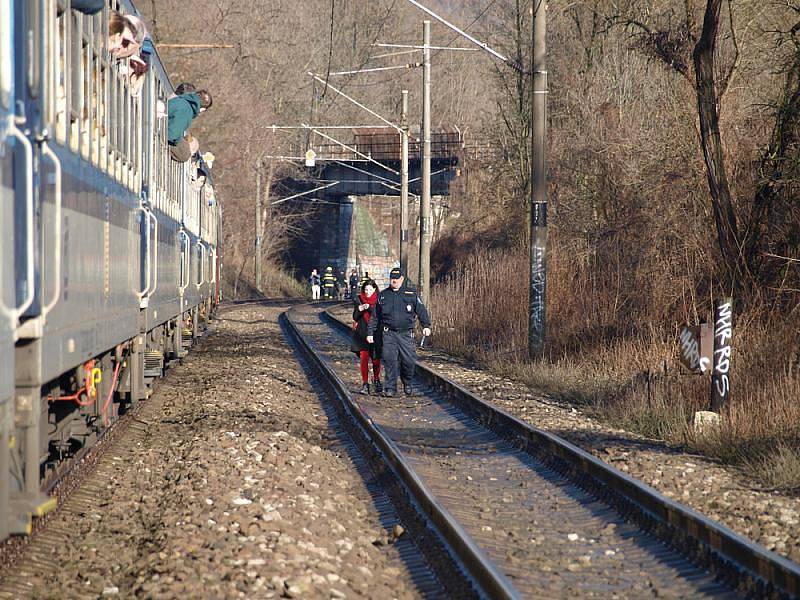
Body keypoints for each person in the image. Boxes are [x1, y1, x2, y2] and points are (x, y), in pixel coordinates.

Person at [367, 268, 431, 397]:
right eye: (392, 279)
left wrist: (426, 325)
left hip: (405, 334)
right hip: (389, 333)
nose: (394, 281)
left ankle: (407, 381)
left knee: (408, 361)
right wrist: (370, 333)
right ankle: (390, 388)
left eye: (396, 279)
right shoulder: (383, 295)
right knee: (390, 361)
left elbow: (421, 310)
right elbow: (375, 317)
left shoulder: (410, 294)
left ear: (402, 279)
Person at [351, 280, 383, 395]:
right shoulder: (359, 299)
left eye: (370, 290)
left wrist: (369, 308)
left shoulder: (379, 300)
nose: (368, 292)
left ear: (374, 290)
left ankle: (376, 379)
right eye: (366, 290)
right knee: (364, 357)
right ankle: (365, 383)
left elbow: (380, 315)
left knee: (376, 358)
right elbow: (355, 317)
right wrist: (359, 310)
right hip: (362, 332)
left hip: (375, 332)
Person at [168, 89, 212, 162]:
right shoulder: (187, 111)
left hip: (162, 127)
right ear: (203, 109)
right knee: (185, 154)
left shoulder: (181, 100)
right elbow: (173, 133)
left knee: (190, 142)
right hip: (164, 134)